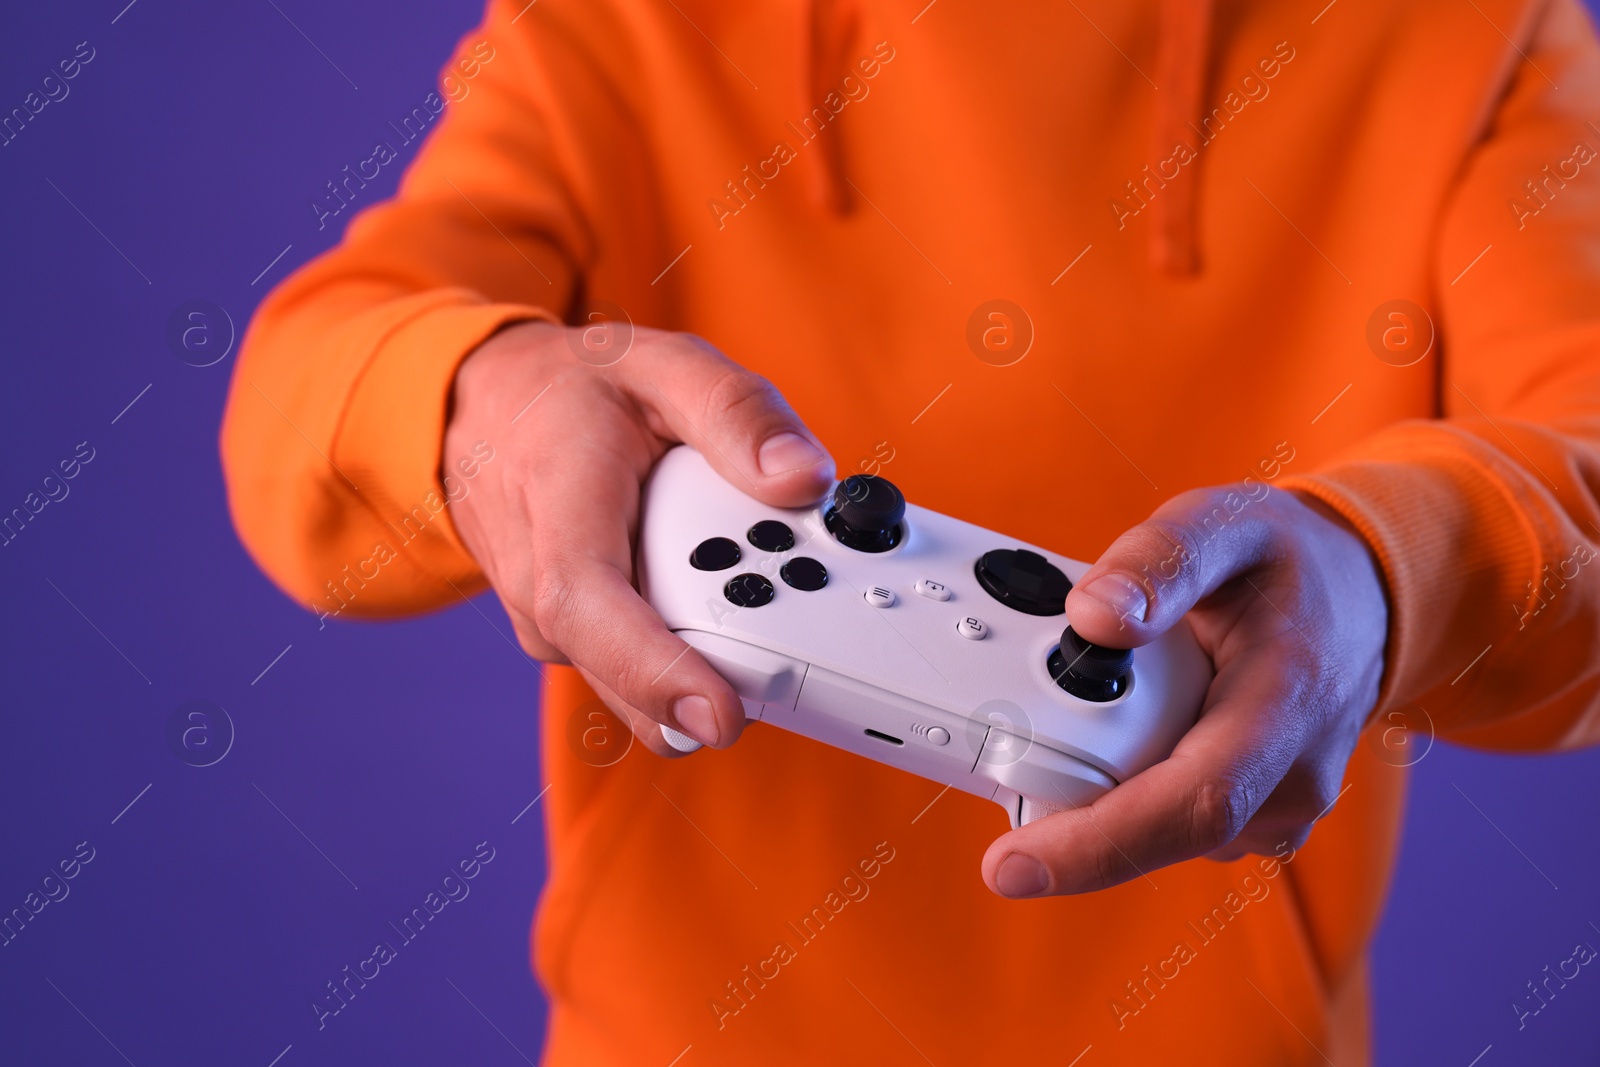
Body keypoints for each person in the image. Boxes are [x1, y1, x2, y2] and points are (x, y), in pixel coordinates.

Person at [220, 0, 1600, 1061]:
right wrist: (473, 399)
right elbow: (309, 382)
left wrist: (1381, 565)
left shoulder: (1471, 33)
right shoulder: (627, 22)